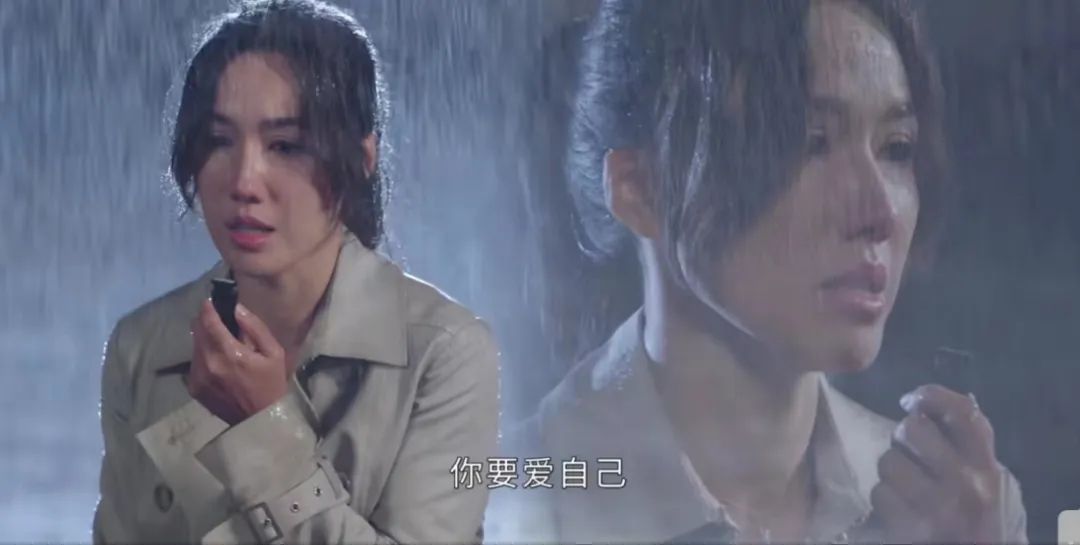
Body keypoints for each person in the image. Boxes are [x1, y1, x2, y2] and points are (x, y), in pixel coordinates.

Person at [486, 1, 1026, 543]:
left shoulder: (954, 507)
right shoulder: (502, 507)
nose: (879, 210)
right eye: (810, 142)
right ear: (642, 188)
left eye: (896, 148)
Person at [92, 1, 499, 542]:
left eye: (285, 146)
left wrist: (263, 429)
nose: (245, 181)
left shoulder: (442, 352)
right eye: (218, 141)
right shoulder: (144, 347)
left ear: (361, 159)